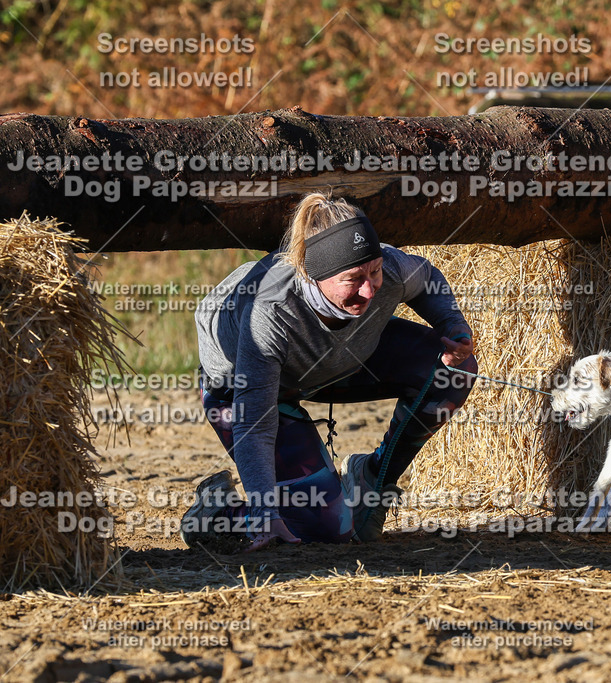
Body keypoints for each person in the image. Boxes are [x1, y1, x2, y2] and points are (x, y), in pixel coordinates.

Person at [185, 192, 477, 551]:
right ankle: (218, 515)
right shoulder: (270, 312)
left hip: (335, 361)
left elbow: (427, 277)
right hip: (246, 389)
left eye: (375, 271)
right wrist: (264, 512)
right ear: (313, 273)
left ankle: (373, 480)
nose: (370, 289)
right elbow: (255, 421)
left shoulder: (389, 267)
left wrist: (453, 326)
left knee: (456, 372)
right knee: (328, 528)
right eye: (354, 278)